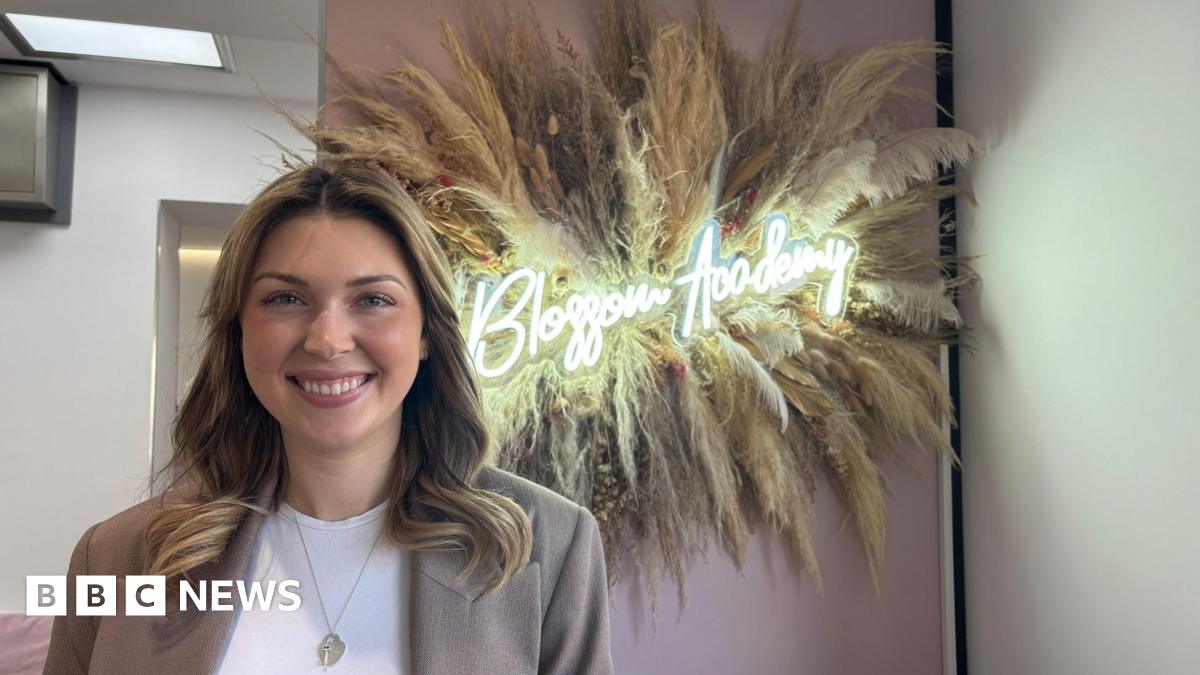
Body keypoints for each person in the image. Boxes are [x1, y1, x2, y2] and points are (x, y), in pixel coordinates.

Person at [42, 162, 614, 674]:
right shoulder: (116, 557)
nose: (327, 340)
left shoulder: (551, 547)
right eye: (285, 299)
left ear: (425, 333)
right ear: (240, 330)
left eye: (373, 300)